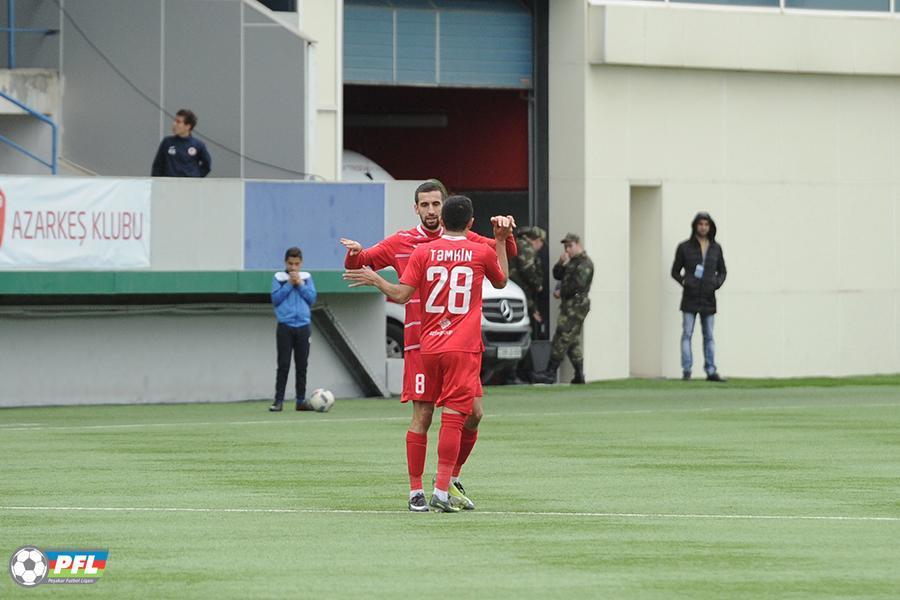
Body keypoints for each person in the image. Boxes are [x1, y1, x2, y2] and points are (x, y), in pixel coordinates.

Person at [340, 180, 517, 512]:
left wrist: (505, 236)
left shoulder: (444, 247)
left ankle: (449, 479)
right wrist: (354, 255)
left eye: (436, 204)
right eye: (425, 205)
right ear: (416, 208)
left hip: (437, 344)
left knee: (475, 414)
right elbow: (360, 261)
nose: (431, 210)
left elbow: (505, 251)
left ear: (444, 209)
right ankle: (419, 491)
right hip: (421, 343)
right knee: (425, 415)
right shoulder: (405, 242)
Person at [670, 211, 727, 382]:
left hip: (708, 298)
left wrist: (715, 283)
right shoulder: (684, 247)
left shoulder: (716, 248)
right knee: (687, 333)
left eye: (706, 224)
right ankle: (687, 370)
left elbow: (722, 271)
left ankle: (711, 370)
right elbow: (675, 271)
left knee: (709, 335)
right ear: (695, 226)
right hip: (690, 297)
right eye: (700, 224)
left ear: (710, 227)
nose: (703, 227)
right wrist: (685, 282)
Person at [532, 233, 594, 385]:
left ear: (578, 244)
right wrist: (561, 263)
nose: (567, 250)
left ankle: (550, 373)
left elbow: (578, 284)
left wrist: (561, 292)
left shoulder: (585, 263)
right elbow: (557, 274)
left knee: (561, 336)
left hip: (577, 305)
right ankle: (579, 374)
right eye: (566, 247)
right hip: (569, 304)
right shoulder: (572, 262)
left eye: (570, 246)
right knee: (571, 340)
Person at [269, 247, 317, 411]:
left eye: (296, 264)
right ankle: (278, 401)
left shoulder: (307, 277)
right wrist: (290, 284)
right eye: (290, 264)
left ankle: (300, 401)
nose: (293, 267)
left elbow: (311, 299)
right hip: (285, 326)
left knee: (302, 365)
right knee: (283, 364)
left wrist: (300, 285)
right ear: (285, 262)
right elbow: (275, 299)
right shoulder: (279, 278)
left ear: (301, 263)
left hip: (303, 326)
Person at [508, 226, 545, 382]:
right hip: (516, 297)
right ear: (538, 240)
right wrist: (538, 285)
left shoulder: (516, 244)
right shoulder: (525, 247)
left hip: (510, 294)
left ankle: (518, 373)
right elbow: (526, 271)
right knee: (521, 334)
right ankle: (521, 373)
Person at [151, 109, 212, 177]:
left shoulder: (198, 145)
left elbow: (207, 165)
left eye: (178, 122)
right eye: (174, 121)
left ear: (188, 126)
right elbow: (157, 165)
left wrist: (196, 176)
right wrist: (157, 181)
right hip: (169, 182)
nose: (174, 124)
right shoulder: (167, 142)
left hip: (189, 182)